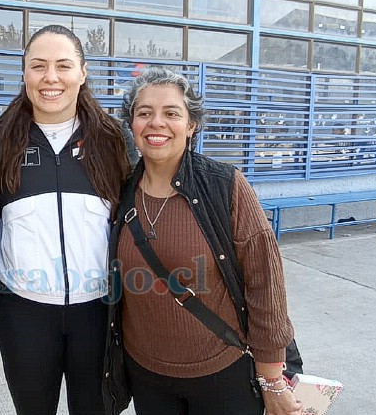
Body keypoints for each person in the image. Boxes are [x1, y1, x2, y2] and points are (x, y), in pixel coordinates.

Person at [104, 68, 301, 415]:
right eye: (144, 112)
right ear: (131, 123)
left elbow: (265, 284)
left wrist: (272, 378)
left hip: (222, 373)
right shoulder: (120, 192)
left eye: (171, 113)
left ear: (191, 125)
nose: (156, 123)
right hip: (147, 376)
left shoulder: (224, 186)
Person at [0, 25, 130, 415]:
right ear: (24, 73)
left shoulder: (113, 139)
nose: (51, 78)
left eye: (63, 65)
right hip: (23, 314)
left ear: (83, 72)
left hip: (97, 312)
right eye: (38, 65)